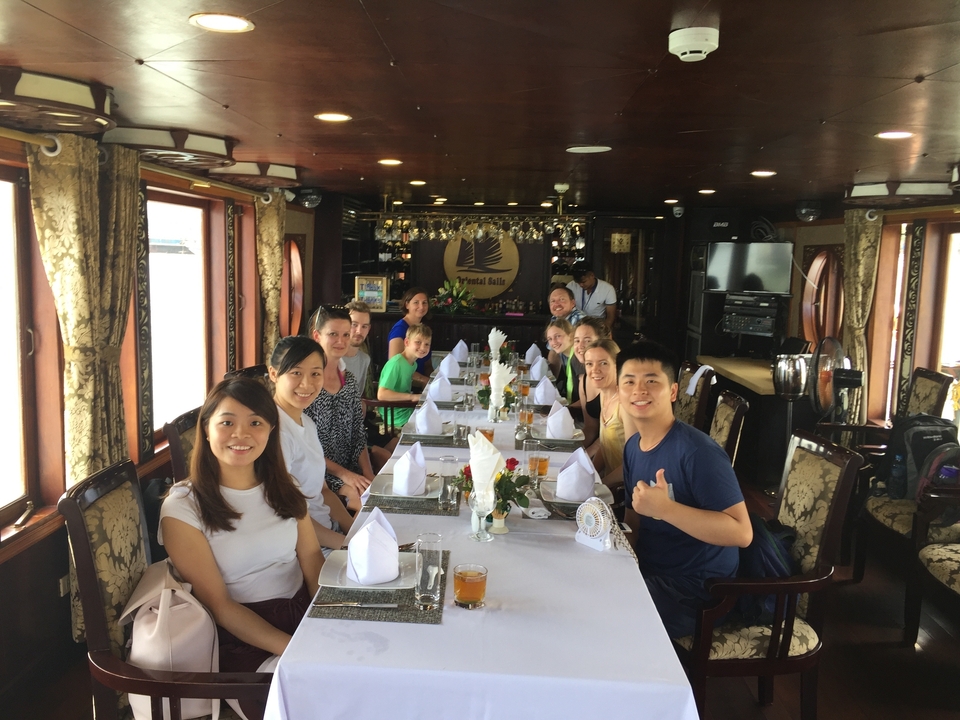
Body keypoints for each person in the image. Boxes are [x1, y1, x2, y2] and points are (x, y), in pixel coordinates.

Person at [159, 378, 323, 720]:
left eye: (256, 423)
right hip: (245, 637)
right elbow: (220, 606)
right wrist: (297, 649)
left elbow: (311, 557)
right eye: (227, 422)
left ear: (271, 431)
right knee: (319, 699)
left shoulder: (283, 486)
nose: (241, 434)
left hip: (304, 614)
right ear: (206, 430)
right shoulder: (183, 507)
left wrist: (330, 619)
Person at [618, 340, 752, 639]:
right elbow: (633, 524)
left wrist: (666, 509)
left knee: (603, 616)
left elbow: (742, 533)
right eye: (629, 382)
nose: (639, 390)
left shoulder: (697, 452)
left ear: (673, 391)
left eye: (651, 381)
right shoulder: (633, 448)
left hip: (697, 592)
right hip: (650, 572)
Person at [268, 335, 354, 554]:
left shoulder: (306, 421)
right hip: (305, 548)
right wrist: (349, 546)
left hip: (330, 533)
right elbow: (288, 515)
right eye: (296, 373)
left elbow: (323, 491)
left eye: (315, 373)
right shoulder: (274, 433)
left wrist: (355, 533)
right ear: (274, 374)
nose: (307, 384)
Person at [306, 305, 375, 512]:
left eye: (346, 334)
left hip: (350, 469)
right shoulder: (307, 385)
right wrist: (346, 476)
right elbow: (306, 449)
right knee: (361, 501)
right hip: (320, 472)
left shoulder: (349, 381)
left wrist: (368, 473)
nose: (341, 341)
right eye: (333, 334)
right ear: (317, 336)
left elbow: (358, 434)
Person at [582, 339, 624, 487]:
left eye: (603, 363)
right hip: (610, 483)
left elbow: (636, 461)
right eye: (589, 364)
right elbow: (605, 445)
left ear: (618, 365)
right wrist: (591, 477)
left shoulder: (625, 403)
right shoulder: (604, 395)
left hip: (627, 489)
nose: (595, 370)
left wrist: (601, 486)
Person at [377, 324, 431, 427]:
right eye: (418, 342)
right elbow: (382, 394)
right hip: (395, 415)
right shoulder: (396, 363)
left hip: (405, 408)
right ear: (406, 342)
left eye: (427, 344)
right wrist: (412, 397)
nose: (423, 347)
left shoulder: (413, 364)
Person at [571, 316, 611, 435]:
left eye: (588, 341)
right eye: (577, 341)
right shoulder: (584, 379)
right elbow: (590, 428)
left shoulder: (617, 380)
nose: (580, 346)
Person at [387, 287, 433, 387]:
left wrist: (435, 379)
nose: (421, 306)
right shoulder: (399, 330)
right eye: (416, 302)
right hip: (405, 387)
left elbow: (427, 365)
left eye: (424, 303)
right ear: (407, 304)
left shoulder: (423, 329)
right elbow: (396, 366)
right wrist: (424, 380)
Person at [568, 261, 617, 328]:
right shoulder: (571, 286)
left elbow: (610, 317)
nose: (581, 285)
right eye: (578, 282)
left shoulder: (608, 289)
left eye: (583, 282)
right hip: (575, 323)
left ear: (592, 275)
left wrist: (604, 330)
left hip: (597, 324)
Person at [343, 299, 373, 394]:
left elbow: (357, 396)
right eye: (354, 325)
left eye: (364, 326)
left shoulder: (365, 359)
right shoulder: (330, 358)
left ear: (368, 329)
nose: (359, 331)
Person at [544, 318, 576, 401]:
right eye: (550, 339)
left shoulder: (578, 359)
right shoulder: (568, 357)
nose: (554, 342)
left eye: (558, 336)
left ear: (571, 336)